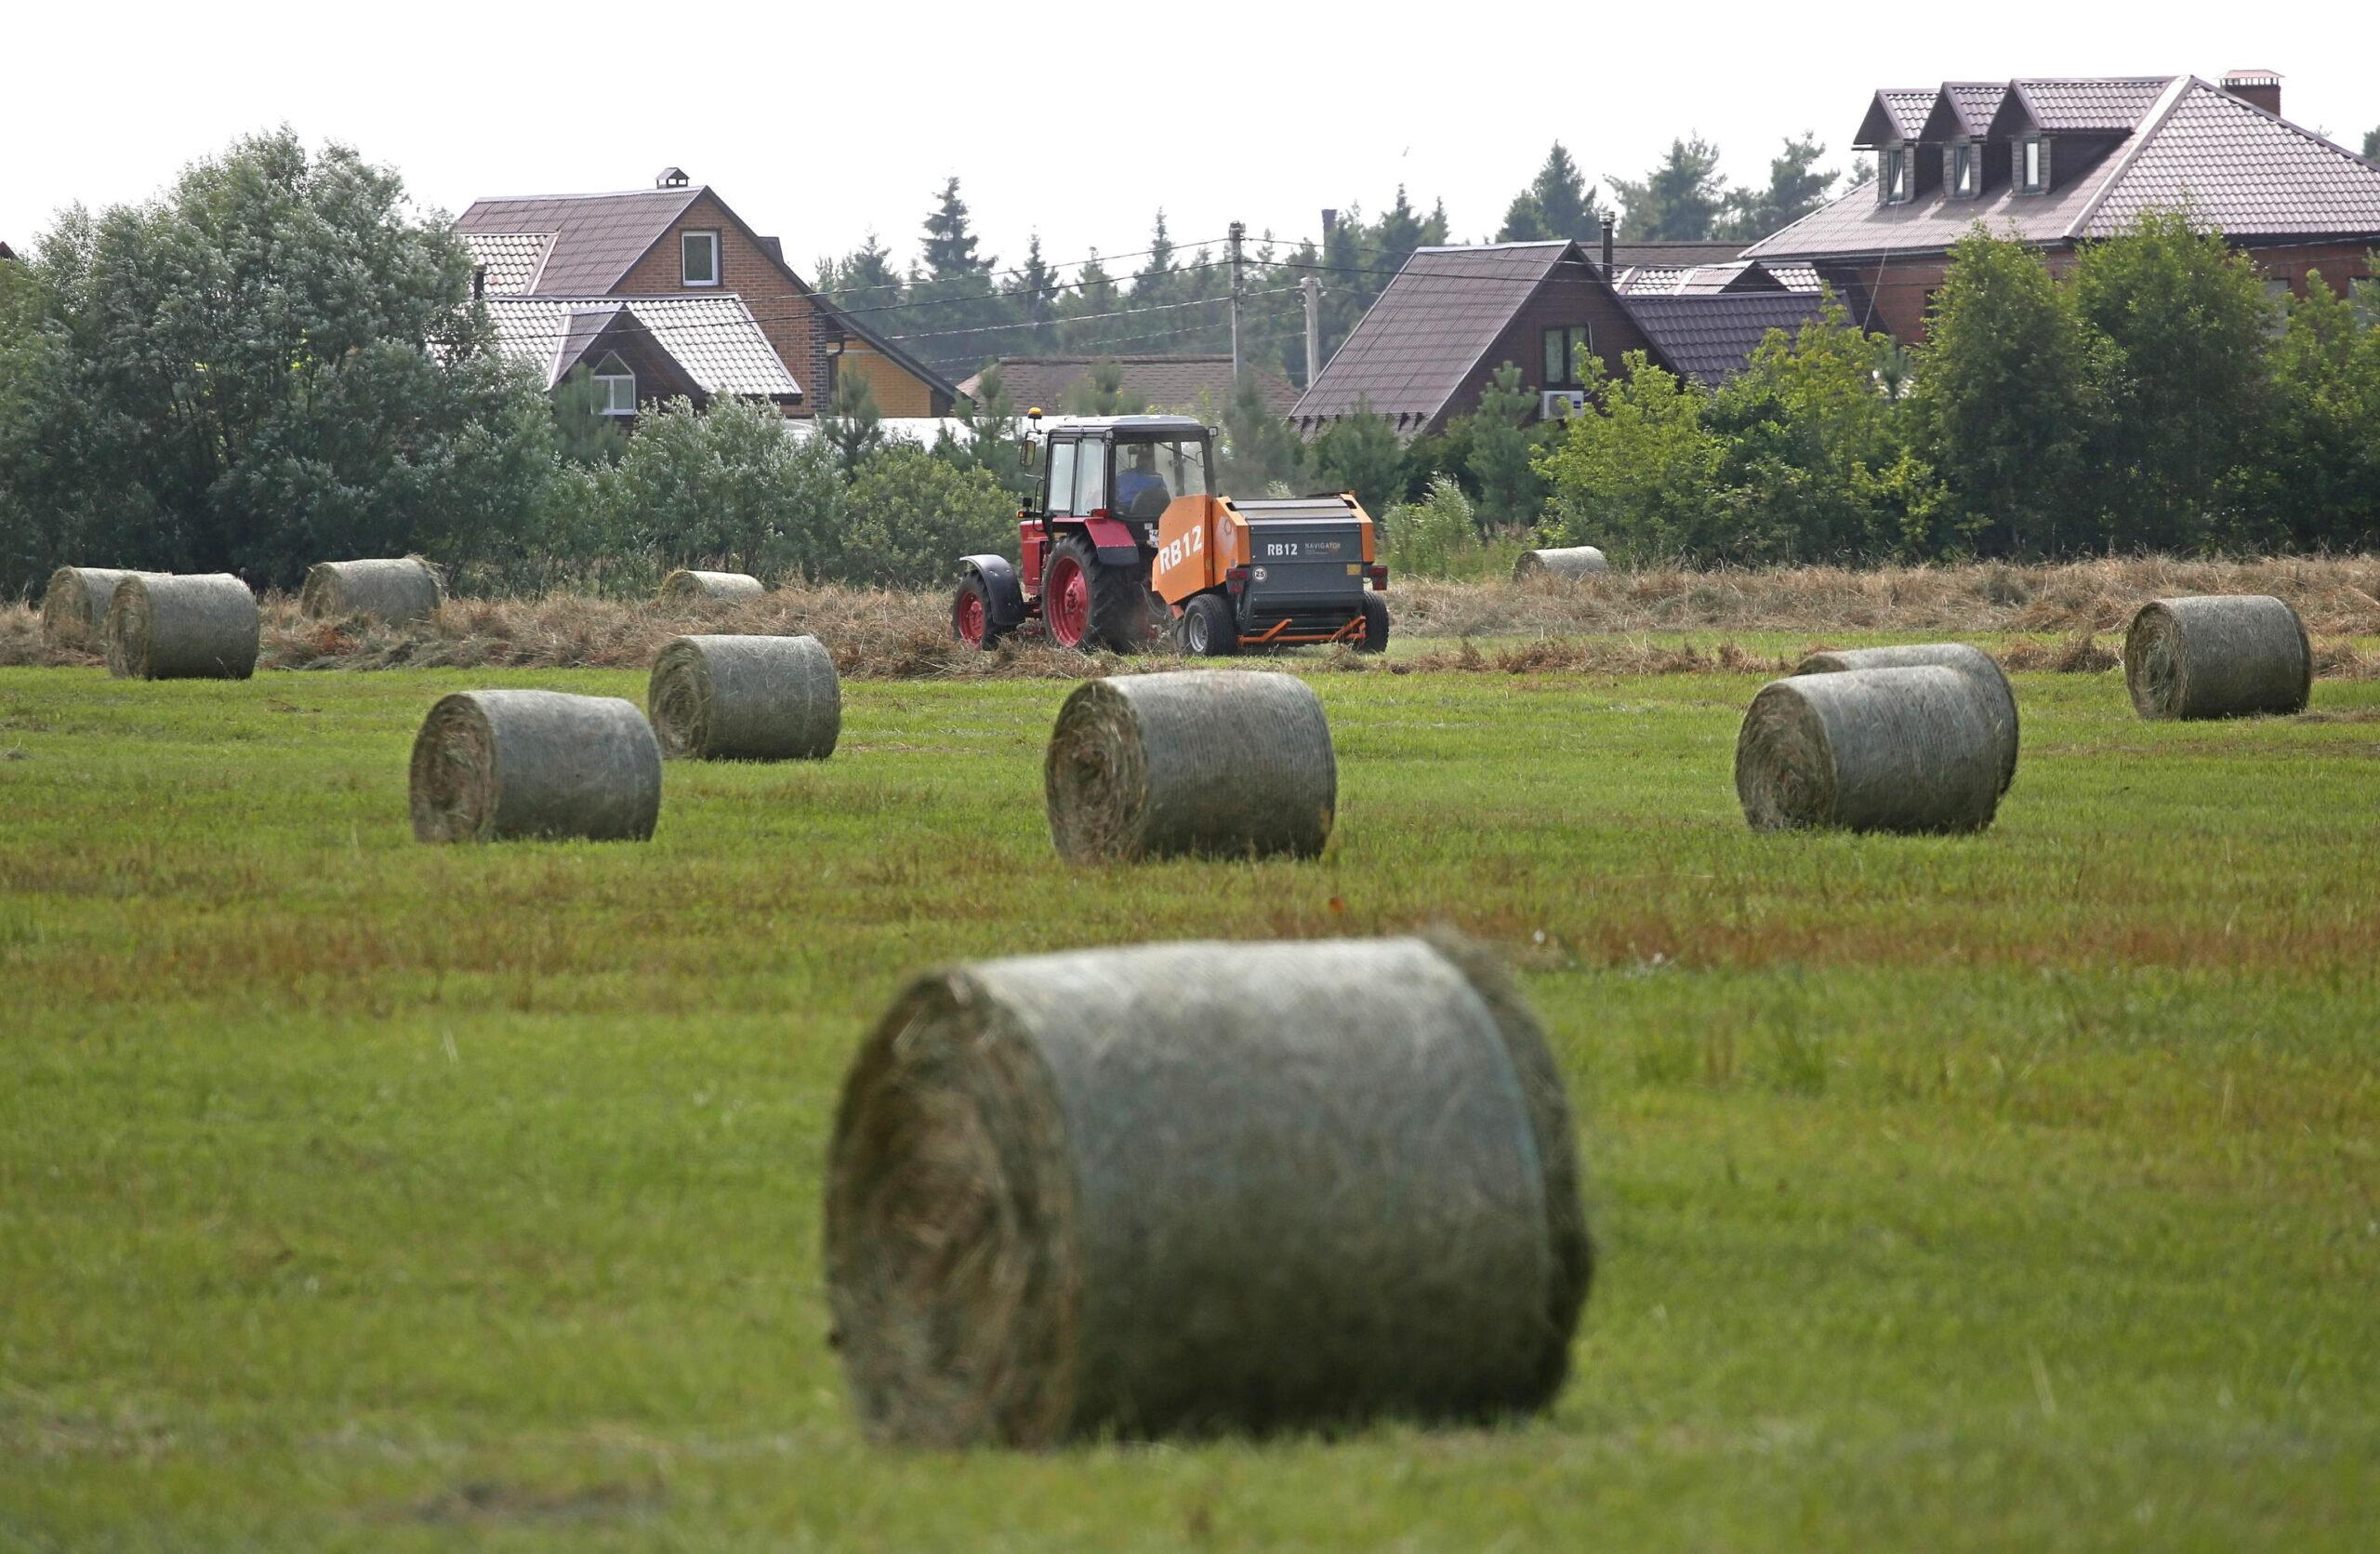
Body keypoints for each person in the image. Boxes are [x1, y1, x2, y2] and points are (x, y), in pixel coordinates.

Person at [1114, 445, 1170, 517]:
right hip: (1125, 515)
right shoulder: (1122, 476)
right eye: (1141, 458)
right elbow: (1112, 498)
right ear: (1137, 460)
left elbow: (1164, 499)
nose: (1144, 461)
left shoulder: (1157, 478)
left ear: (1150, 461)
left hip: (1152, 514)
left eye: (1147, 458)